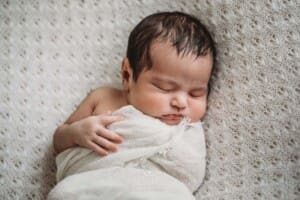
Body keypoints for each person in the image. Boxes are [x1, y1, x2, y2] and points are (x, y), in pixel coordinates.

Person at [53, 11, 216, 157]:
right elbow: (58, 140)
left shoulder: (186, 127)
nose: (181, 103)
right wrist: (76, 132)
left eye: (196, 93)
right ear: (127, 75)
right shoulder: (103, 98)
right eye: (165, 88)